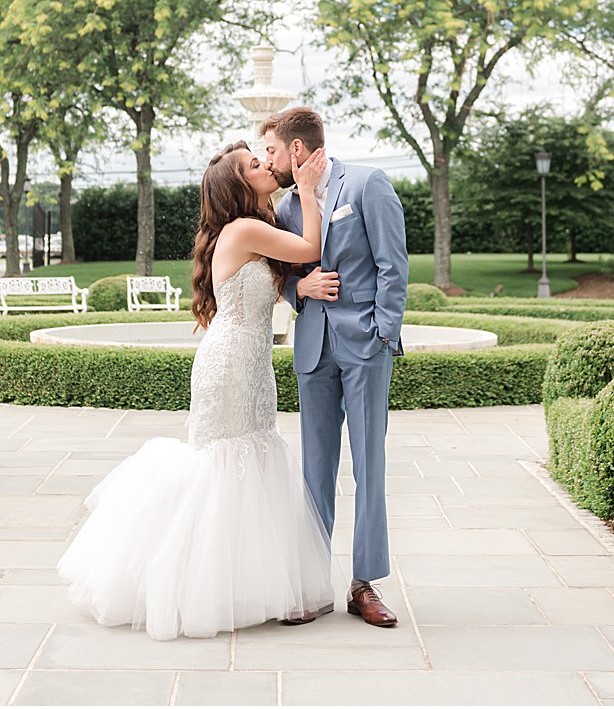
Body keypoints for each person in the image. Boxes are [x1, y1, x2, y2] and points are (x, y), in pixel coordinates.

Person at [57, 141, 333, 640]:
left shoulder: (252, 228)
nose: (267, 165)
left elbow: (285, 273)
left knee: (250, 458)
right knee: (227, 462)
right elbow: (310, 250)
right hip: (229, 366)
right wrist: (308, 190)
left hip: (250, 364)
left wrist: (300, 289)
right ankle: (197, 587)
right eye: (255, 165)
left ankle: (248, 586)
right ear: (240, 185)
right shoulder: (246, 229)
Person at [261, 106, 408, 628]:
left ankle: (363, 585)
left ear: (297, 149)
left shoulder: (367, 184)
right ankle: (312, 584)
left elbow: (394, 264)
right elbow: (273, 272)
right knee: (313, 471)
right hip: (313, 349)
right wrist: (297, 288)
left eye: (273, 152)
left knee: (369, 466)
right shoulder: (284, 210)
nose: (269, 161)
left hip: (364, 347)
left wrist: (382, 335)